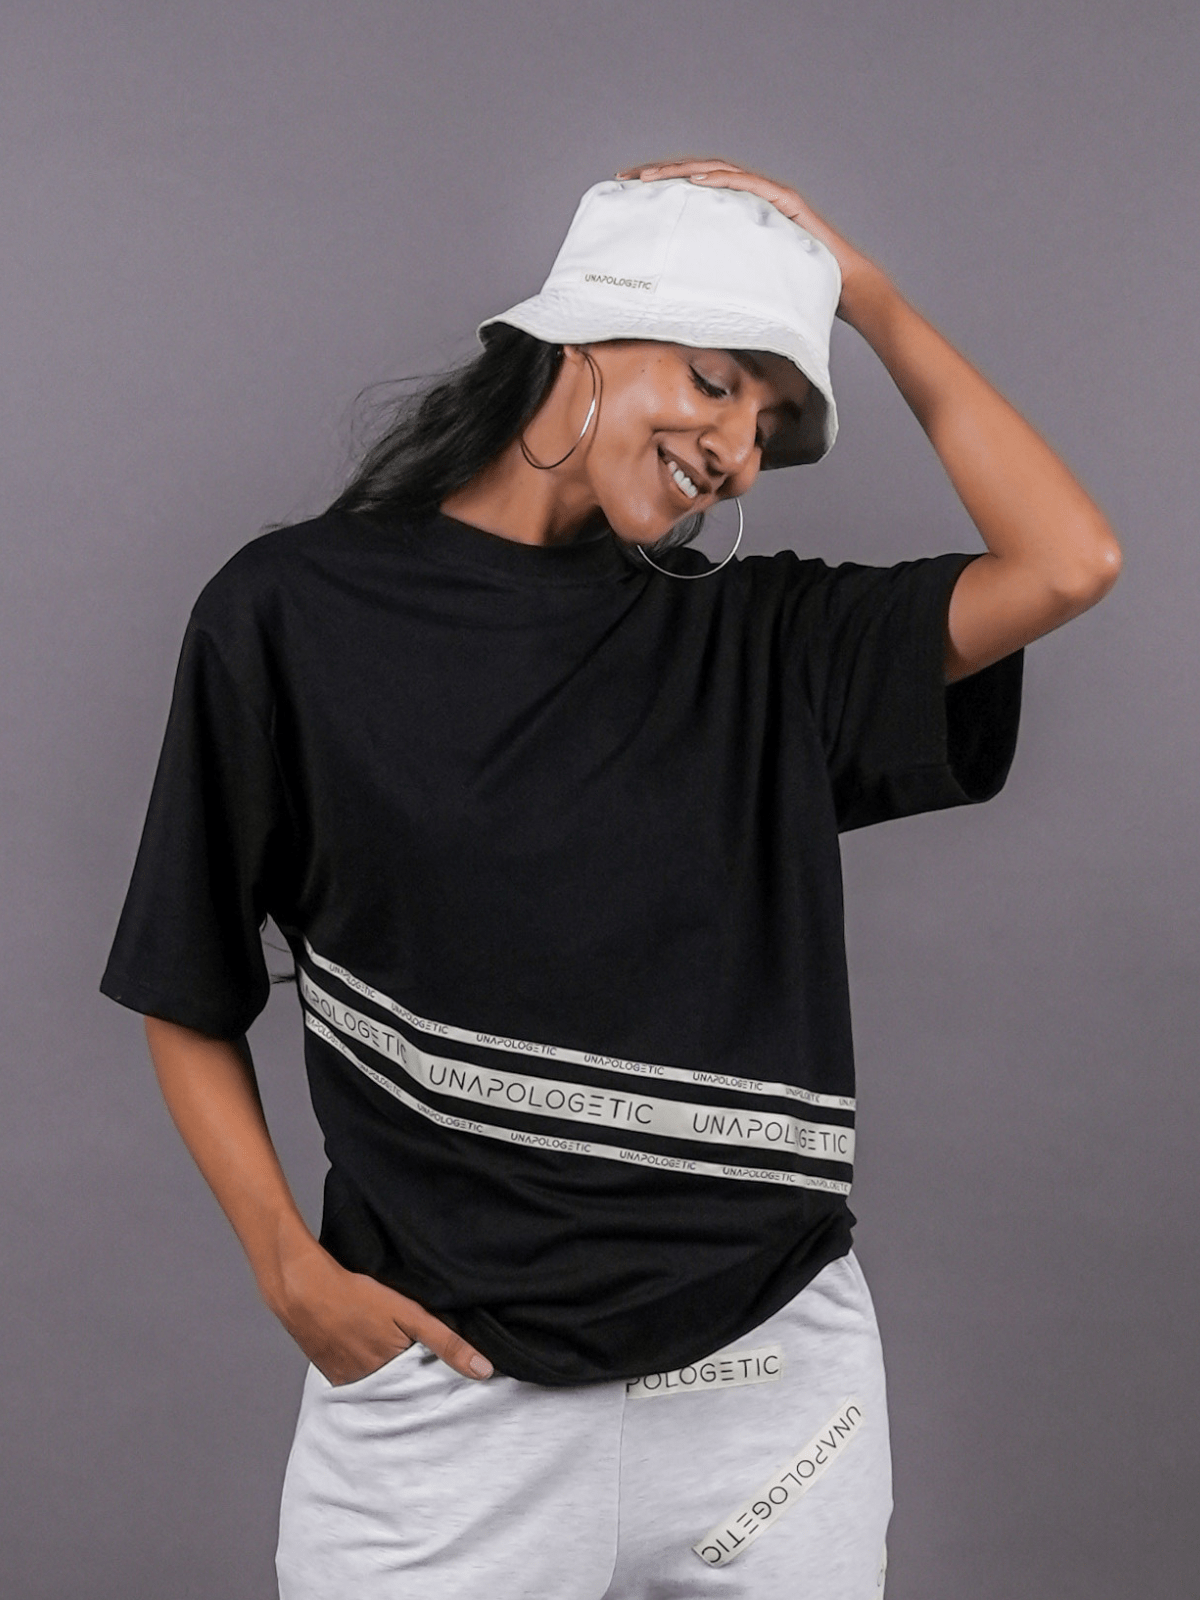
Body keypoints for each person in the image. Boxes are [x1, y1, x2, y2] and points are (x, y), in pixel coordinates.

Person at [99, 156, 1121, 1599]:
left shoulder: (765, 643)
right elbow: (185, 983)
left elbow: (1071, 561)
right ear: (580, 331)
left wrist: (869, 296)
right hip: (444, 1407)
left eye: (771, 423)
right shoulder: (291, 616)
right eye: (715, 381)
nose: (737, 450)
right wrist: (286, 1266)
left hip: (769, 1399)